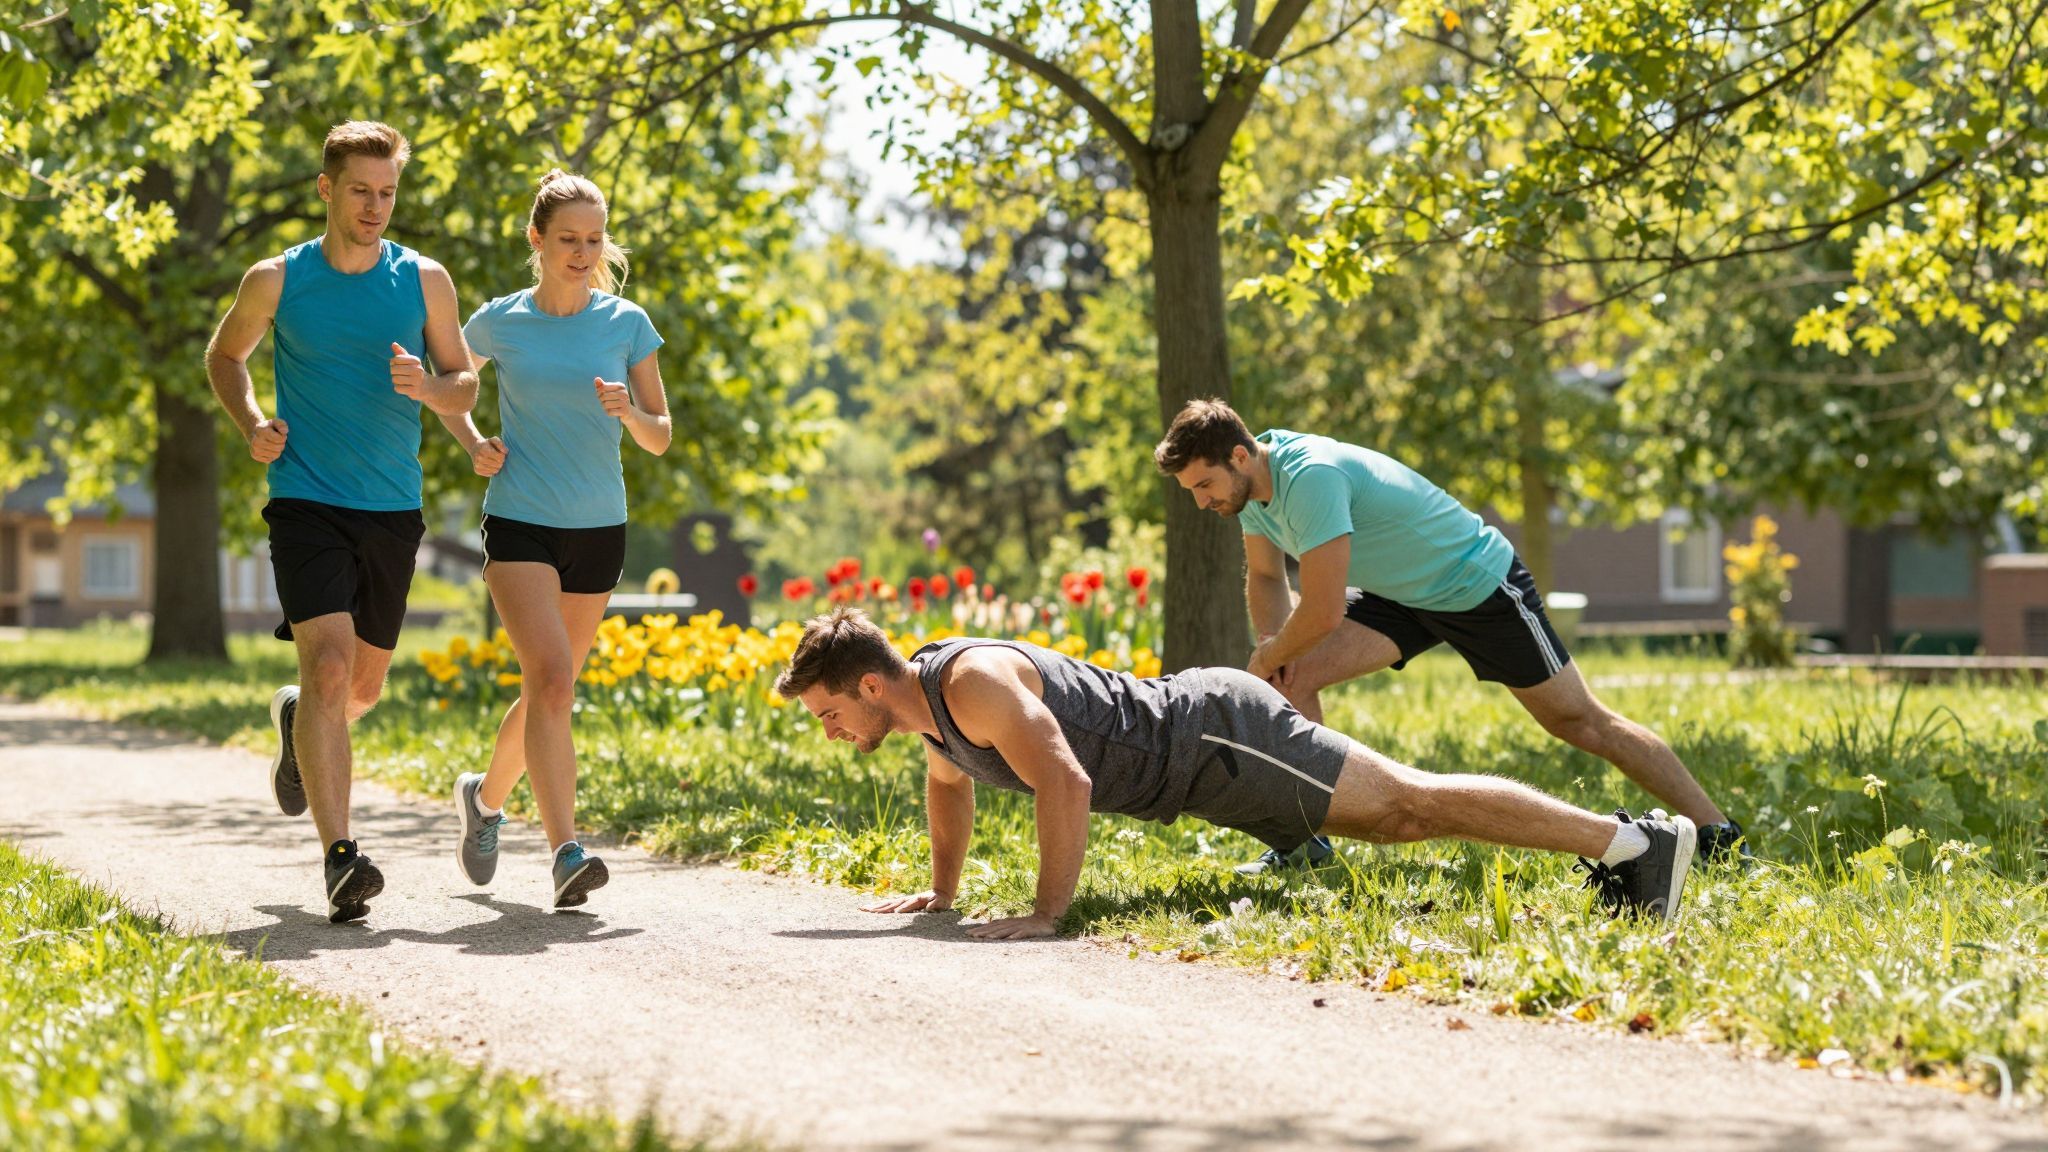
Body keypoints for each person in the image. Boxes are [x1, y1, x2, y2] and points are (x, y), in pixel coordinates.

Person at [776, 608, 1695, 942]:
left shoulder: (968, 681)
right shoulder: (926, 718)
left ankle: (1634, 844)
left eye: (828, 714)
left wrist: (1048, 913)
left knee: (1406, 808)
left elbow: (1065, 781)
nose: (830, 733)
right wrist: (941, 895)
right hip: (1197, 772)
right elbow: (949, 787)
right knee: (1390, 818)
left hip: (1216, 738)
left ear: (867, 683)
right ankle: (1624, 843)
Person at [1153, 399, 1743, 875]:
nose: (1204, 501)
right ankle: (1305, 841)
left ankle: (1717, 833)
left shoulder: (1310, 477)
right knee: (1295, 676)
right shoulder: (1250, 491)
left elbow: (1326, 610)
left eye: (1205, 485)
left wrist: (1271, 654)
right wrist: (1275, 650)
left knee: (1579, 722)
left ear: (1239, 454)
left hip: (1476, 584)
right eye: (1195, 492)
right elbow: (1264, 574)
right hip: (1401, 596)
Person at [206, 121, 477, 923]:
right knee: (327, 668)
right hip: (305, 498)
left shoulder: (424, 279)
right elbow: (226, 357)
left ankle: (297, 726)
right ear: (327, 189)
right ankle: (340, 861)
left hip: (391, 505)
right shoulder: (277, 279)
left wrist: (431, 387)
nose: (376, 206)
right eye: (361, 189)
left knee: (359, 687)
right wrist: (251, 422)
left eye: (388, 191)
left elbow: (463, 382)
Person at [437, 169, 670, 909]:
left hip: (599, 524)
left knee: (552, 690)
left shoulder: (626, 322)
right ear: (537, 239)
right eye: (567, 238)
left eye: (593, 239)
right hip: (520, 517)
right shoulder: (498, 321)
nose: (582, 251)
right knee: (550, 679)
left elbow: (661, 435)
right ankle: (567, 851)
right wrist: (472, 441)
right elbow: (449, 385)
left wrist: (629, 412)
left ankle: (484, 799)